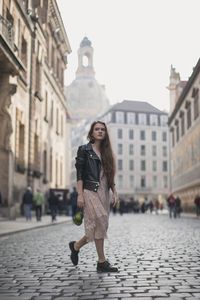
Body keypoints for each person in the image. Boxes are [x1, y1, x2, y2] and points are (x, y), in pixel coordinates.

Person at [69, 121, 119, 273]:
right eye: (97, 129)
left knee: (97, 227)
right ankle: (102, 261)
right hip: (89, 190)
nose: (100, 131)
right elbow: (80, 174)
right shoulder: (84, 150)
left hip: (103, 192)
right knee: (101, 220)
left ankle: (76, 246)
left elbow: (109, 175)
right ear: (91, 132)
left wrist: (114, 191)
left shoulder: (107, 153)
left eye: (103, 129)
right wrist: (79, 195)